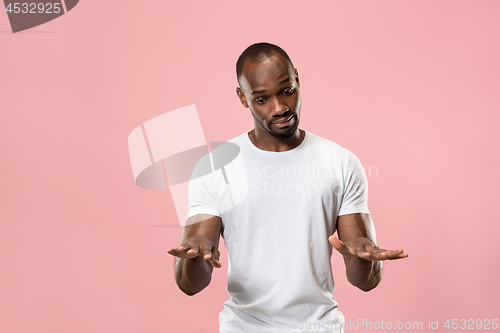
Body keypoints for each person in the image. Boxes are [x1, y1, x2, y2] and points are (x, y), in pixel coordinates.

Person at [167, 42, 408, 333]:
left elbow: (366, 281)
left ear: (297, 79)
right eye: (261, 99)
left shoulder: (341, 162)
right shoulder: (215, 167)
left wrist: (361, 258)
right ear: (242, 98)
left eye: (287, 91)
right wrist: (195, 257)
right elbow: (190, 285)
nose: (280, 108)